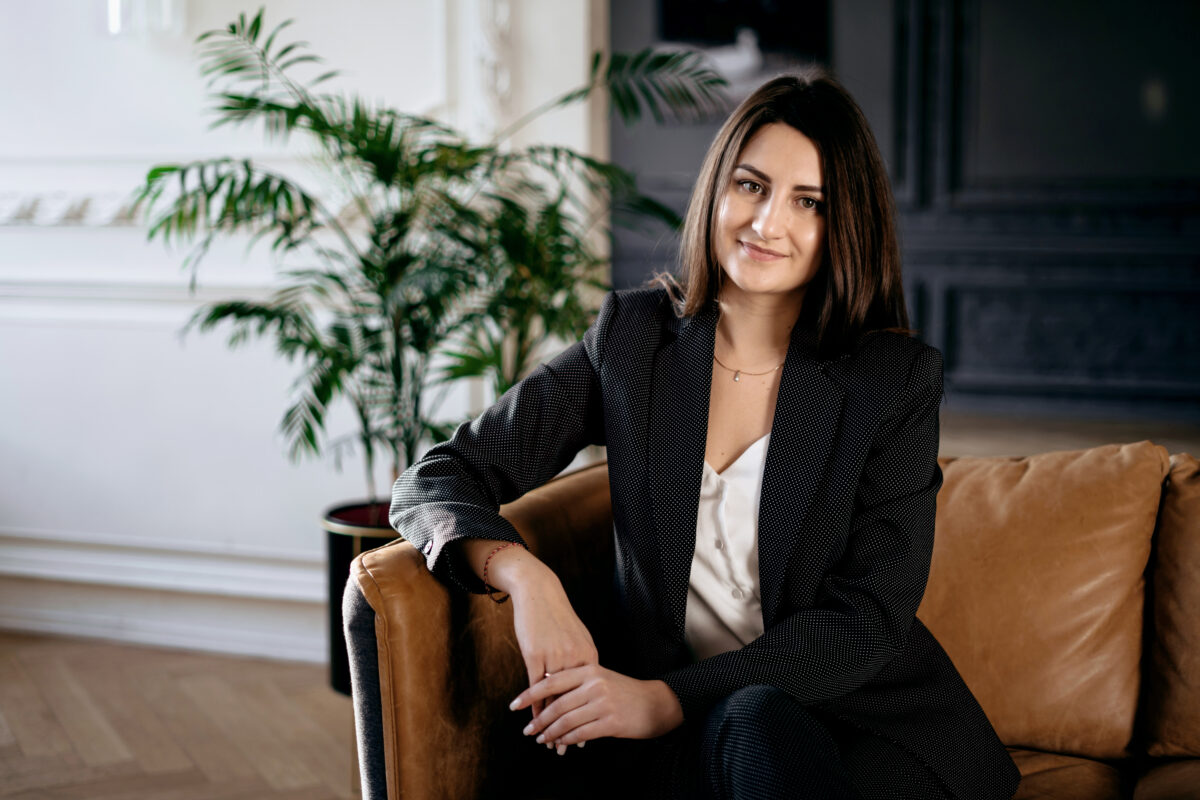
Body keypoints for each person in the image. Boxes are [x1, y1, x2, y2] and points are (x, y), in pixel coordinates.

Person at [389, 67, 1021, 800]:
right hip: (702, 737)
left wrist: (663, 699)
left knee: (758, 722)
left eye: (807, 201)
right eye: (750, 186)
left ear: (842, 224)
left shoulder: (892, 380)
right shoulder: (632, 342)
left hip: (861, 727)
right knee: (741, 727)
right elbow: (437, 474)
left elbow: (865, 621)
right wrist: (524, 576)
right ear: (717, 187)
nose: (766, 223)